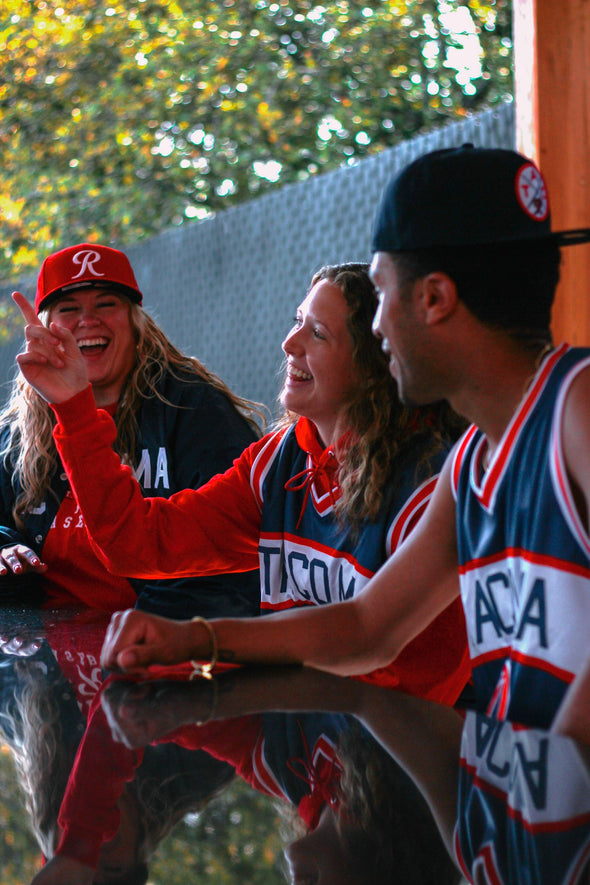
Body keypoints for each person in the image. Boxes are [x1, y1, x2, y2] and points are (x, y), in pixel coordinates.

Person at [65, 145, 590, 731]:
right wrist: (194, 641)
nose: (378, 325)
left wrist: (562, 764)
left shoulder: (576, 405)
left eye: (382, 293)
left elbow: (393, 672)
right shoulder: (471, 462)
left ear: (434, 299)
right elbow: (368, 629)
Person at [12, 260, 471, 704]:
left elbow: (369, 637)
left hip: (409, 742)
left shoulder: (429, 480)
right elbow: (140, 544)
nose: (289, 342)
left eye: (318, 333)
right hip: (304, 733)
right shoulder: (277, 461)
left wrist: (196, 641)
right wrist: (74, 407)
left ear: (374, 366)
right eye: (297, 322)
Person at [0, 242, 262, 618]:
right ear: (44, 329)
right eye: (68, 309)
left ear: (136, 321)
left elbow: (232, 551)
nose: (87, 320)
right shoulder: (20, 430)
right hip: (44, 639)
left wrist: (150, 636)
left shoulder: (191, 407)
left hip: (155, 637)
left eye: (106, 304)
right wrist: (5, 548)